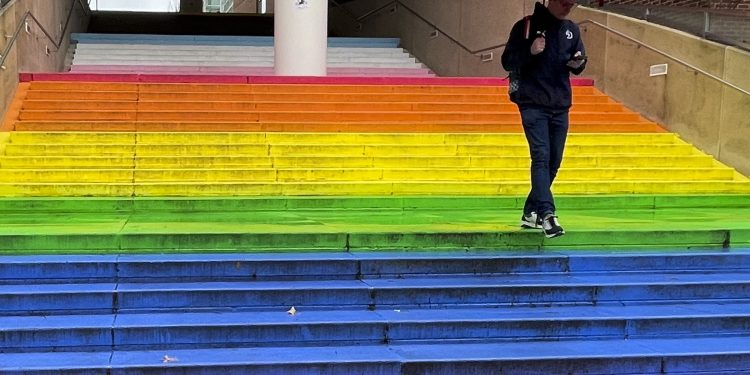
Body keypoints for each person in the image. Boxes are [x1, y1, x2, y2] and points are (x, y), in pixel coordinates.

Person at [501, 0, 586, 238]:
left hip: (560, 103)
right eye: (563, 2)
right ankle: (548, 215)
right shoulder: (526, 26)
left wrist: (578, 62)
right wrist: (530, 50)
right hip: (532, 102)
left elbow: (578, 60)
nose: (567, 7)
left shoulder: (572, 29)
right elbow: (507, 61)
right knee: (541, 156)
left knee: (554, 161)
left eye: (571, 4)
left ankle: (531, 212)